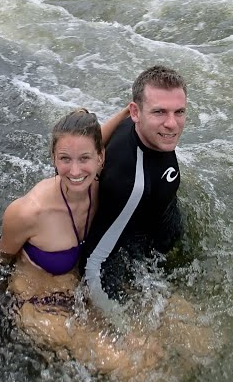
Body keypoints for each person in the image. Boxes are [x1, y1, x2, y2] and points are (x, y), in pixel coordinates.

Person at [0, 108, 161, 381]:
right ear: (53, 159)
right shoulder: (28, 212)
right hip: (38, 305)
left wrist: (127, 111)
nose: (74, 171)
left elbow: (95, 138)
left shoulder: (102, 190)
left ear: (101, 158)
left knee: (164, 343)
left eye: (85, 159)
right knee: (133, 367)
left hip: (81, 293)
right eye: (64, 159)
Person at [81, 65, 189, 317]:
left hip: (161, 218)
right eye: (160, 112)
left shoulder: (145, 130)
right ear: (135, 112)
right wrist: (117, 321)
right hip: (140, 258)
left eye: (179, 111)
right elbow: (93, 263)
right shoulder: (131, 184)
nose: (172, 124)